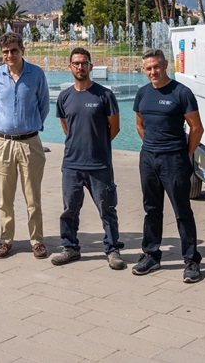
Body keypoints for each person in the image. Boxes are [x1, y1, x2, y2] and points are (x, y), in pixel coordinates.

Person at [132, 48, 205, 283]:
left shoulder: (181, 93)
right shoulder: (142, 94)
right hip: (148, 159)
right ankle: (151, 254)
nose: (153, 72)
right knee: (151, 209)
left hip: (174, 160)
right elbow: (140, 125)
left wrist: (184, 154)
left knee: (182, 211)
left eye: (156, 67)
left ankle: (191, 260)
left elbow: (197, 128)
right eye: (148, 68)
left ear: (165, 66)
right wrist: (153, 147)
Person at [51, 48, 125, 269]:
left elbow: (115, 127)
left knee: (107, 209)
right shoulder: (64, 97)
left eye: (84, 63)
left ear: (91, 66)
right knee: (69, 209)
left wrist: (97, 145)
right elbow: (67, 128)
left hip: (99, 164)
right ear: (69, 67)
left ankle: (113, 250)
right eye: (76, 63)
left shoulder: (104, 95)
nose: (80, 67)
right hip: (72, 164)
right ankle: (70, 247)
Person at [0, 31, 50, 259]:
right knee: (5, 197)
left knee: (33, 197)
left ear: (22, 50)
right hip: (3, 143)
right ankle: (6, 240)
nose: (10, 55)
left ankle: (37, 240)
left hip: (30, 143)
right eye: (5, 52)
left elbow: (44, 106)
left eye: (14, 50)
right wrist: (8, 126)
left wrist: (30, 126)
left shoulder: (36, 74)